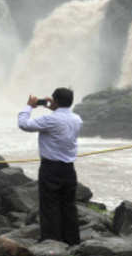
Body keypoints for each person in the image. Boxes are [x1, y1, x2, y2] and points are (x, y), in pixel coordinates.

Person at [17, 87, 83, 245]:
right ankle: (72, 240)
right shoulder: (77, 119)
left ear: (55, 101)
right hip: (69, 168)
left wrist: (29, 107)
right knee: (68, 205)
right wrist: (55, 106)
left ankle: (51, 241)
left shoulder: (50, 119)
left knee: (49, 205)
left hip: (51, 168)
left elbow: (24, 124)